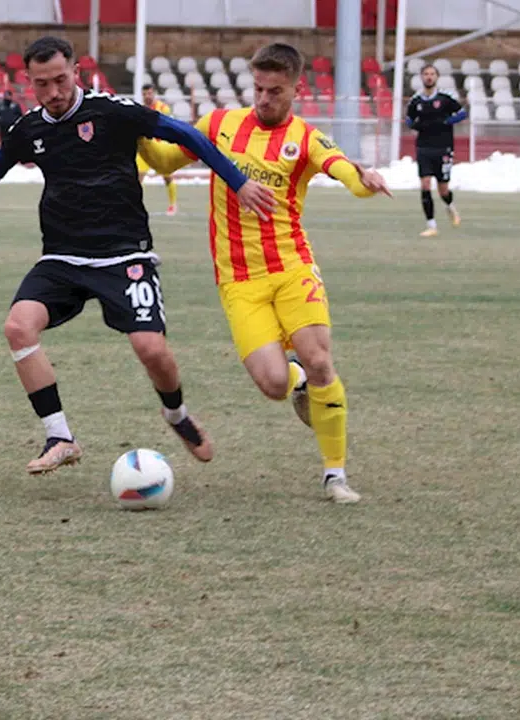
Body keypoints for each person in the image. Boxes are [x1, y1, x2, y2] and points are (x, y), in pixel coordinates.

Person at [0, 36, 276, 475]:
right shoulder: (30, 129)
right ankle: (60, 437)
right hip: (62, 258)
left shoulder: (113, 111)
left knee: (151, 348)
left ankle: (176, 413)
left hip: (124, 254)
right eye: (42, 84)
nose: (54, 92)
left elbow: (186, 134)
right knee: (18, 328)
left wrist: (238, 182)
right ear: (29, 82)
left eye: (61, 80)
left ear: (76, 72)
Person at [137, 43, 392, 504]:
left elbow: (343, 171)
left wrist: (365, 181)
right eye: (257, 89)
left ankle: (335, 475)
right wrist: (138, 131)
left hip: (292, 268)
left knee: (319, 359)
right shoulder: (219, 125)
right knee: (274, 384)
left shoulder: (307, 138)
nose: (263, 99)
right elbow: (164, 161)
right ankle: (297, 383)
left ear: (296, 89)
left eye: (274, 91)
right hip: (239, 281)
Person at [406, 64, 467, 237]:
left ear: (437, 77)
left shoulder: (445, 99)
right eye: (426, 74)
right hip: (423, 147)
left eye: (432, 74)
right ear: (421, 77)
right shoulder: (416, 101)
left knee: (443, 189)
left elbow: (462, 113)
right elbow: (409, 119)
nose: (429, 77)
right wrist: (416, 125)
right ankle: (431, 225)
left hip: (443, 147)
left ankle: (450, 206)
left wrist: (446, 122)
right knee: (425, 184)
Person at [134, 83, 179, 216]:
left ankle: (173, 204)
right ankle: (136, 206)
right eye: (145, 94)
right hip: (145, 148)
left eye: (149, 93)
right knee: (138, 178)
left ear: (154, 93)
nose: (147, 96)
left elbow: (168, 128)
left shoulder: (163, 108)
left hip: (160, 148)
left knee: (167, 177)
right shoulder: (140, 109)